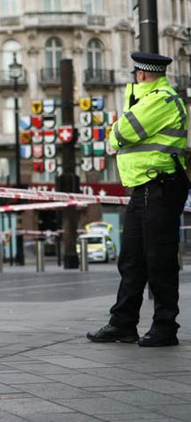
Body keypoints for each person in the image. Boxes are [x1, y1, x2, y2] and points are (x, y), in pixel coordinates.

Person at [87, 52, 189, 348]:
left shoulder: (161, 99)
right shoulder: (145, 100)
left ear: (141, 74)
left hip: (159, 186)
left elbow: (122, 132)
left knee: (159, 260)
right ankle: (123, 324)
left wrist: (116, 132)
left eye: (136, 74)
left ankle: (165, 326)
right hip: (142, 188)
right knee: (131, 259)